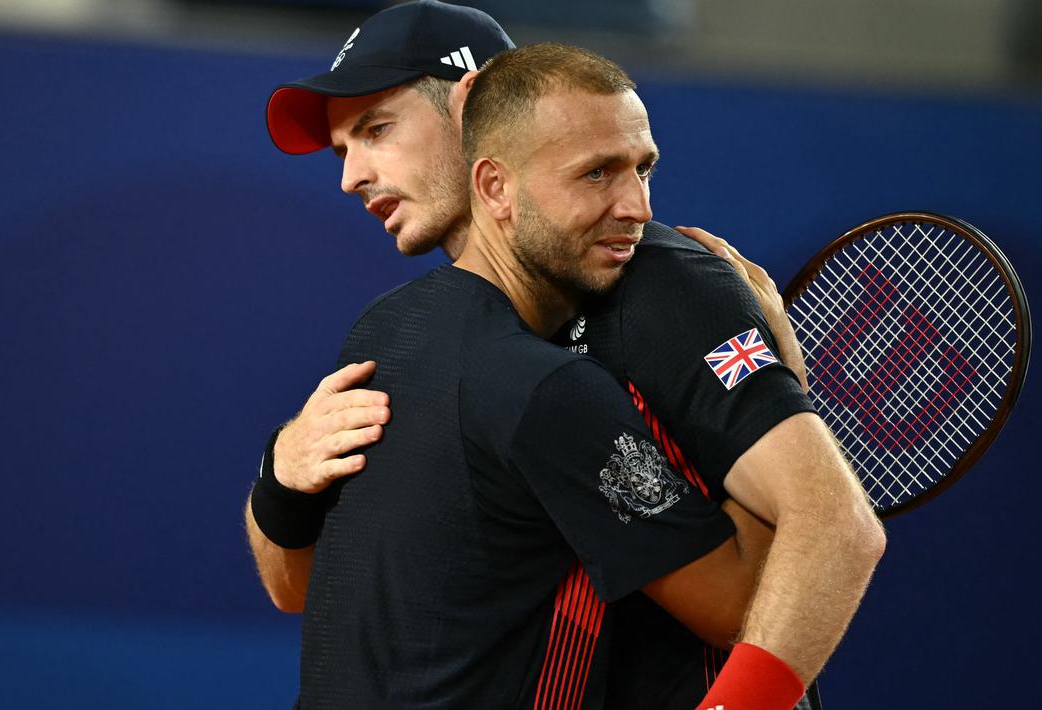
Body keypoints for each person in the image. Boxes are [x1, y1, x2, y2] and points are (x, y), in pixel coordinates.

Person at [246, 3, 885, 709]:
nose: (352, 177)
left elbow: (827, 527)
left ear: (472, 102)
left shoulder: (660, 285)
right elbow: (297, 587)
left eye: (376, 131)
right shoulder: (406, 331)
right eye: (344, 150)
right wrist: (282, 471)